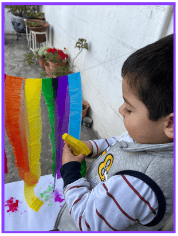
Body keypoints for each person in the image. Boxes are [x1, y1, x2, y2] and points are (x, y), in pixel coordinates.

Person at [59, 34, 173, 231]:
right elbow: (121, 141)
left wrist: (71, 173)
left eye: (129, 109)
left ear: (171, 124)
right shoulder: (152, 137)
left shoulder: (139, 184)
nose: (121, 110)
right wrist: (91, 147)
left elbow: (87, 222)